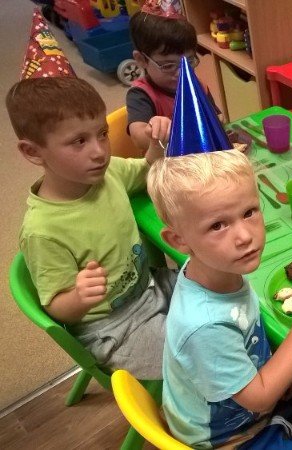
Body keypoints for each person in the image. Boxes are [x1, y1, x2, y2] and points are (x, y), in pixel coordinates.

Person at [7, 10, 172, 379]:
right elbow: (56, 306)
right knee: (201, 350)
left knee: (219, 287)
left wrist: (156, 143)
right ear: (33, 152)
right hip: (112, 328)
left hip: (150, 287)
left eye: (101, 134)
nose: (99, 151)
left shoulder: (107, 173)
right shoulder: (43, 231)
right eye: (78, 141)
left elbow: (148, 170)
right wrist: (77, 298)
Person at [149, 150, 292, 448]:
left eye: (249, 212)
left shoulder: (217, 268)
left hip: (252, 397)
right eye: (217, 225)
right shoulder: (205, 326)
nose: (245, 236)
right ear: (179, 240)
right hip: (230, 437)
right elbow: (260, 398)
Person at [126, 0, 200, 152]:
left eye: (189, 62)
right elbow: (138, 138)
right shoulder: (140, 95)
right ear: (141, 59)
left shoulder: (195, 84)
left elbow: (218, 117)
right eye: (168, 66)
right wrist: (155, 132)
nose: (181, 73)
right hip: (164, 164)